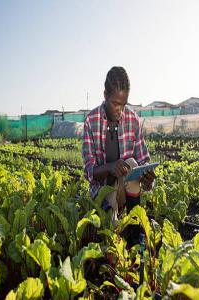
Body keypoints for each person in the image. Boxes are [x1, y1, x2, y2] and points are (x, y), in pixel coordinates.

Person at [82, 66, 155, 245]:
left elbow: (144, 160)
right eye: (115, 103)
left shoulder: (133, 120)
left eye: (123, 104)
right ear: (105, 95)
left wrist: (148, 178)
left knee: (131, 162)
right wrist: (110, 167)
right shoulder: (91, 121)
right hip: (102, 192)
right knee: (111, 235)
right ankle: (117, 224)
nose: (120, 110)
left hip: (126, 192)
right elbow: (89, 171)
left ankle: (135, 228)